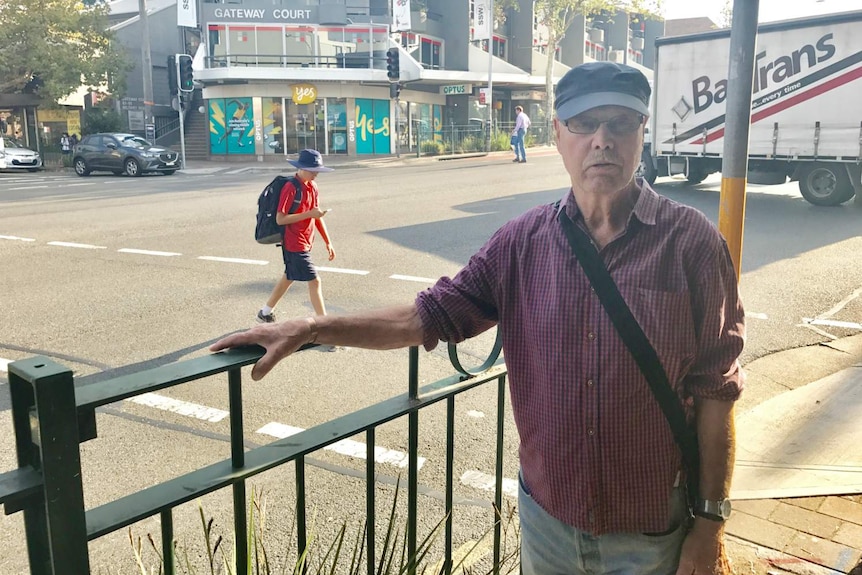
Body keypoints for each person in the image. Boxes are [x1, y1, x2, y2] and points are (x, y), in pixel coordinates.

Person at [214, 62, 744, 575]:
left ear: (641, 132)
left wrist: (710, 525)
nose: (601, 139)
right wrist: (312, 327)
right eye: (583, 123)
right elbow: (425, 317)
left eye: (620, 123)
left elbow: (717, 391)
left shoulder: (691, 244)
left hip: (652, 532)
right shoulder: (521, 245)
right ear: (558, 134)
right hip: (548, 527)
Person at [257, 149, 337, 330]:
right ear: (301, 168)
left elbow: (317, 216)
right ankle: (324, 326)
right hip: (293, 242)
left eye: (318, 170)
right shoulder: (290, 188)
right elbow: (281, 219)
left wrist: (328, 241)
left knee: (289, 277)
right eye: (313, 169)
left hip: (305, 241)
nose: (316, 173)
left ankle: (265, 312)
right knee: (314, 281)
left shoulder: (313, 187)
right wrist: (309, 214)